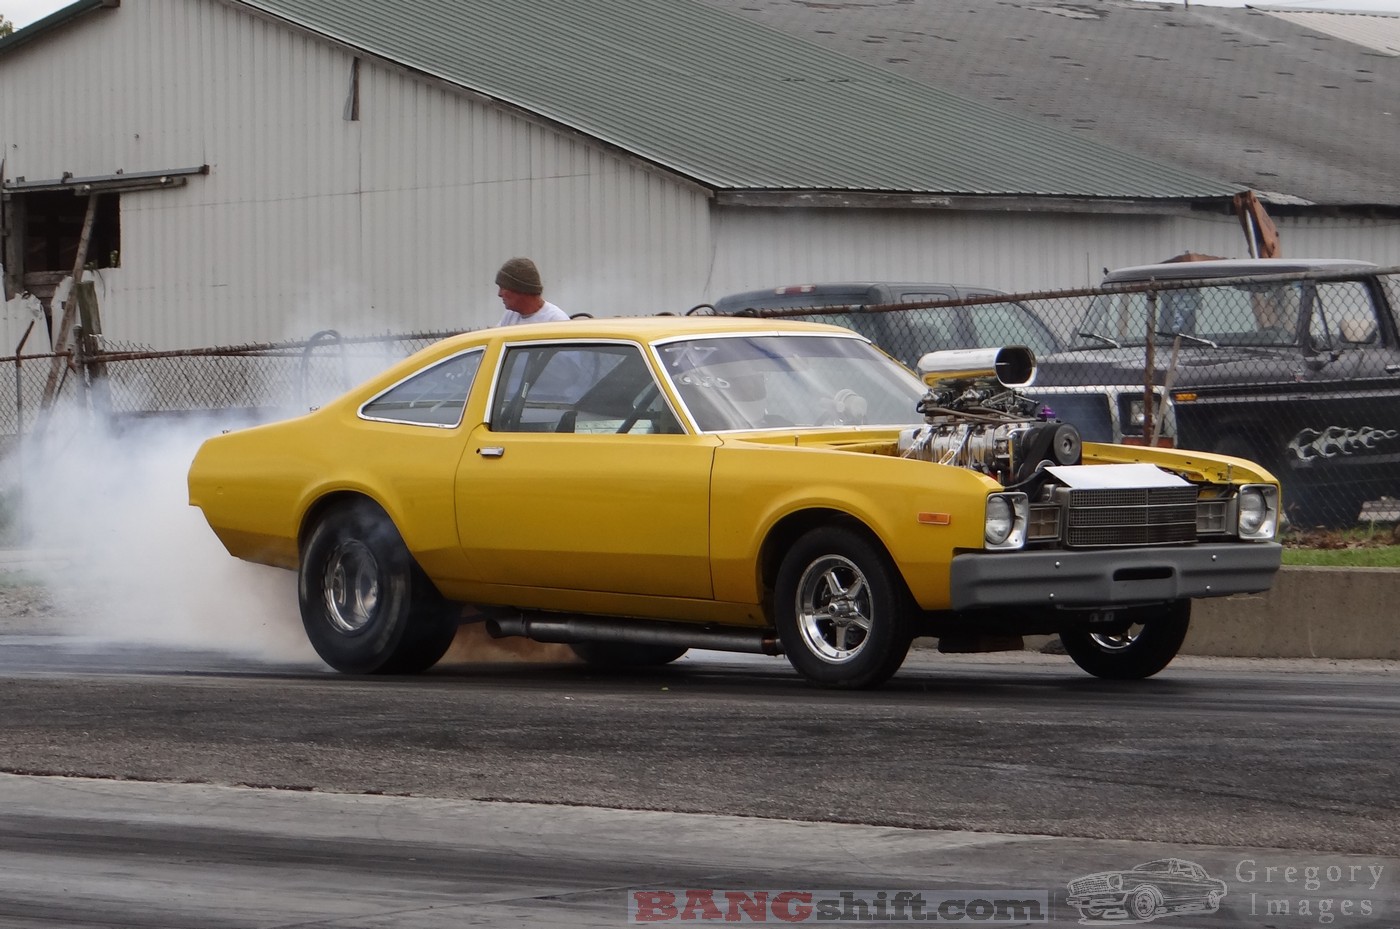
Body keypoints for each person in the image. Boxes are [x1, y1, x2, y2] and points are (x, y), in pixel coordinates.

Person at [495, 257, 569, 326]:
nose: (499, 294)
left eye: (503, 288)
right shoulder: (510, 316)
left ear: (521, 289)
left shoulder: (556, 321)